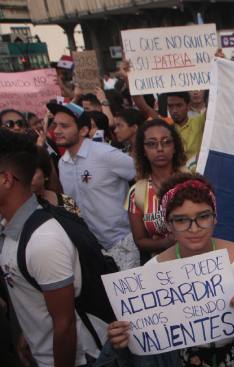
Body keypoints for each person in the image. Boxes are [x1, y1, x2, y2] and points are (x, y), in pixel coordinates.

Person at [108, 173, 234, 367]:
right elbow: (142, 333)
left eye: (203, 216)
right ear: (168, 224)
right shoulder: (151, 271)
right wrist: (123, 337)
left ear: (215, 217)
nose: (194, 228)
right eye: (181, 219)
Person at [0, 129, 106, 367]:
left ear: (5, 179)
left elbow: (65, 323)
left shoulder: (43, 240)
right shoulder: (11, 227)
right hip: (48, 357)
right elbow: (36, 296)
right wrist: (31, 333)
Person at [49, 101, 140, 271]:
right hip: (93, 250)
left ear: (83, 130)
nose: (57, 131)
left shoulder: (105, 154)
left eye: (64, 126)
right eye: (55, 125)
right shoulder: (63, 164)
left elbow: (143, 176)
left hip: (123, 244)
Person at [126, 119, 187, 258]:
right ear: (143, 151)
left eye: (166, 142)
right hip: (164, 268)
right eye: (152, 144)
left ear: (175, 147)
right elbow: (140, 240)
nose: (160, 148)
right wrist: (166, 243)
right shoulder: (136, 194)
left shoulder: (192, 180)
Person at [31, 145, 80, 216]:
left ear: (45, 174)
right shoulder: (17, 208)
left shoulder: (66, 201)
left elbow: (79, 224)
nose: (27, 177)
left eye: (32, 172)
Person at [167, 92, 205, 162]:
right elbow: (147, 110)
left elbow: (213, 102)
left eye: (179, 105)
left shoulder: (200, 121)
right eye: (170, 106)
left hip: (199, 171)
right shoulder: (166, 129)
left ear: (188, 106)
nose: (174, 110)